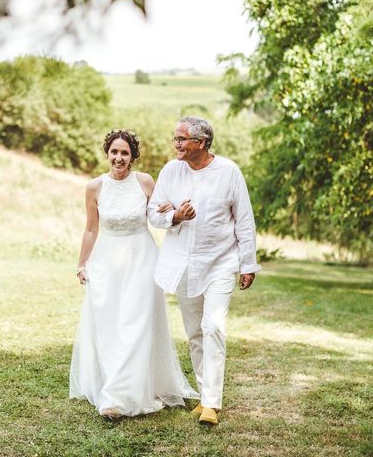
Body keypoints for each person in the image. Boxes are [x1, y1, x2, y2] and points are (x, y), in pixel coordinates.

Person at [69, 129, 198, 420]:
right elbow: (91, 228)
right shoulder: (94, 187)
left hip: (142, 260)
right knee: (110, 324)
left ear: (132, 157)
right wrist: (82, 263)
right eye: (114, 152)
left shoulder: (145, 182)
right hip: (106, 262)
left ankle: (116, 398)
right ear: (107, 154)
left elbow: (159, 214)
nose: (118, 158)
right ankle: (114, 381)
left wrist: (172, 210)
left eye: (124, 153)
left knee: (135, 324)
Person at [147, 116, 261, 426]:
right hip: (185, 264)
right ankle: (204, 394)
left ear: (202, 142)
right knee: (195, 331)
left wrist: (248, 263)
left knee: (213, 326)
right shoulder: (171, 171)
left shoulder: (228, 172)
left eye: (182, 139)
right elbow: (152, 214)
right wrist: (175, 216)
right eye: (176, 138)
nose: (176, 144)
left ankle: (212, 403)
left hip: (222, 262)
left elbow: (245, 220)